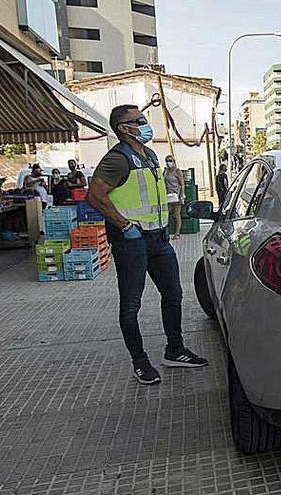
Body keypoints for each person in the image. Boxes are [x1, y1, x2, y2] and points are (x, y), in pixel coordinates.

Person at [87, 104, 208, 385]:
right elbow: (94, 196)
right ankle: (140, 362)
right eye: (138, 120)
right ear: (124, 128)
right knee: (131, 305)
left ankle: (175, 350)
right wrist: (124, 225)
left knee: (173, 294)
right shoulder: (117, 159)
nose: (144, 123)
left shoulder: (150, 155)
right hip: (132, 242)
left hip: (158, 239)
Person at [163, 155, 185, 240]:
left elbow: (182, 184)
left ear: (174, 161)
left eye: (170, 160)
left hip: (176, 195)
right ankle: (166, 232)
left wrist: (182, 195)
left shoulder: (177, 171)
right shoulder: (165, 171)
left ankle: (177, 233)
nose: (169, 162)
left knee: (176, 214)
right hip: (167, 195)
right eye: (167, 160)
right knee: (166, 214)